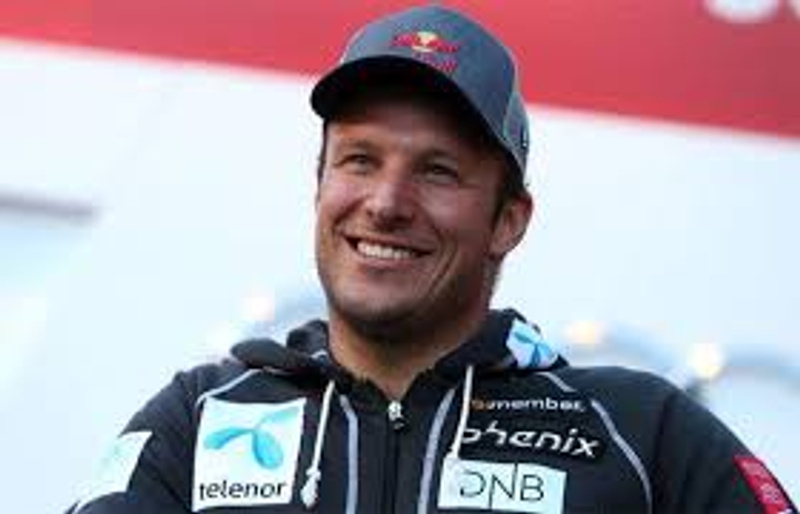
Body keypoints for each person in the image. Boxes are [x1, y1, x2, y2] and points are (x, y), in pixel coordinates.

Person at [68, 5, 796, 513]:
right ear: (319, 184)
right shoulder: (201, 418)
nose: (386, 203)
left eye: (438, 172)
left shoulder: (639, 432)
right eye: (359, 160)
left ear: (508, 220)